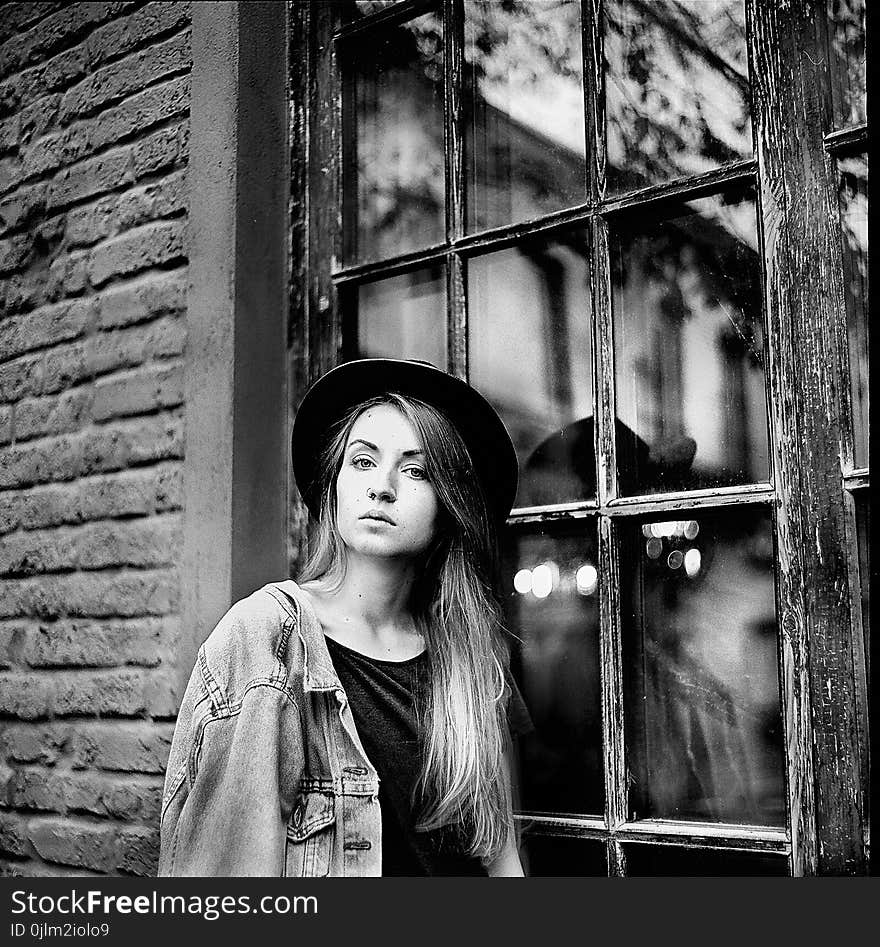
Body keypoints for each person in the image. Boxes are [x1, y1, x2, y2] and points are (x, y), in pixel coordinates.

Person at [159, 358, 529, 876]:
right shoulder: (265, 641)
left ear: (449, 505)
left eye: (416, 470)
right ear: (332, 485)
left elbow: (501, 857)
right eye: (362, 462)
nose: (382, 487)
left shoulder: (474, 661)